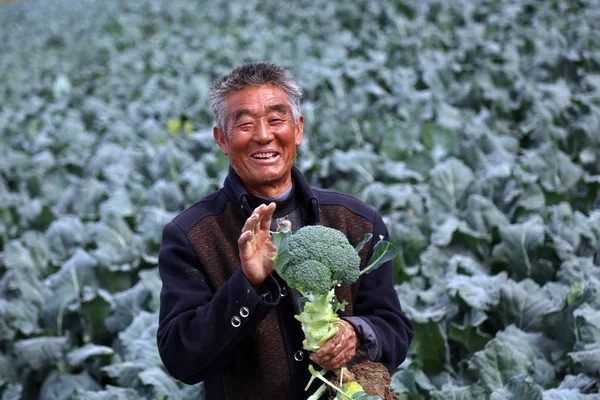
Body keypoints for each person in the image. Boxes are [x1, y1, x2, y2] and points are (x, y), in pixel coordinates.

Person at [156, 62, 414, 400]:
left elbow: (395, 329)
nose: (263, 135)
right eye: (245, 124)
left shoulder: (356, 221)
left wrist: (356, 333)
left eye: (276, 120)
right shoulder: (192, 236)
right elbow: (181, 359)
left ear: (298, 129)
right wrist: (247, 285)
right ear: (221, 139)